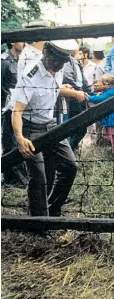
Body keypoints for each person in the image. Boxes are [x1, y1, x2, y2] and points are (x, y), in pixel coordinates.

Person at [9, 39, 87, 216]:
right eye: (56, 61)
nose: (59, 66)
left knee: (70, 166)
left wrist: (74, 93)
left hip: (50, 124)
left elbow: (54, 88)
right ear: (46, 53)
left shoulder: (57, 70)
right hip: (30, 127)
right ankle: (39, 222)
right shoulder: (30, 75)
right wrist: (20, 138)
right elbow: (17, 111)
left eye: (62, 62)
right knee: (38, 176)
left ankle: (53, 209)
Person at [1, 40, 28, 187]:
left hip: (19, 109)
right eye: (20, 40)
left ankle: (20, 178)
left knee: (19, 141)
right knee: (8, 143)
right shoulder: (3, 61)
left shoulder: (22, 60)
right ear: (12, 42)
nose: (24, 43)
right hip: (6, 109)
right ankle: (11, 179)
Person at [87, 74, 114, 161]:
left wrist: (88, 97)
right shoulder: (110, 91)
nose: (102, 86)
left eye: (103, 84)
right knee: (106, 134)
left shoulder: (110, 93)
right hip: (110, 119)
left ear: (110, 84)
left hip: (113, 120)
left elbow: (99, 99)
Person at [63, 46, 93, 152]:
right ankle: (69, 151)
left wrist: (91, 93)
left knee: (81, 127)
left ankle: (71, 150)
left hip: (80, 97)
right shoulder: (66, 61)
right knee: (78, 126)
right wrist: (78, 91)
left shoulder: (76, 62)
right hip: (73, 98)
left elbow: (83, 81)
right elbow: (68, 79)